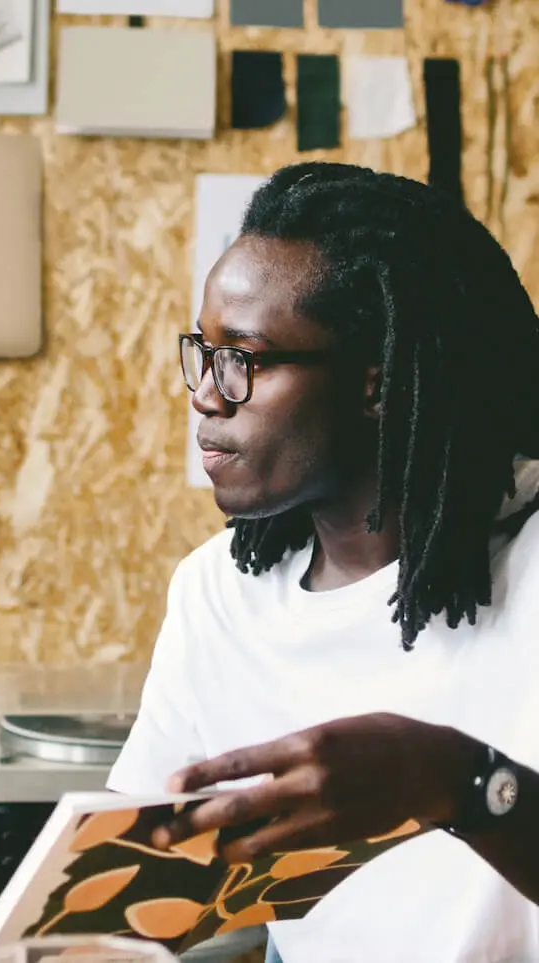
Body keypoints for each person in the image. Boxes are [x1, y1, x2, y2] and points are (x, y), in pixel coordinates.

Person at [108, 162, 539, 962]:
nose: (206, 392)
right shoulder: (219, 593)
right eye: (202, 350)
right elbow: (132, 896)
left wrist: (459, 783)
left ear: (377, 382)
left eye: (245, 355)